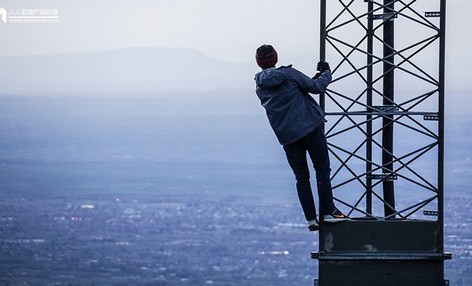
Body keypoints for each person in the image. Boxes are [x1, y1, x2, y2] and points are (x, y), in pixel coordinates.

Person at [254, 44, 349, 231]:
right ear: (276, 57)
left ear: (258, 63)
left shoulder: (259, 87)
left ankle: (311, 219)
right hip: (310, 129)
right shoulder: (289, 74)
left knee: (301, 177)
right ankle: (329, 211)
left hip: (288, 137)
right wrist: (326, 73)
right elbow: (317, 88)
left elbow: (288, 94)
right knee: (322, 170)